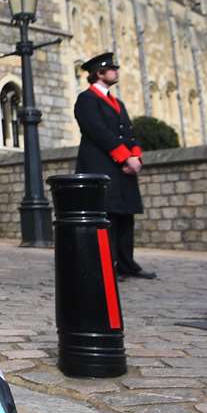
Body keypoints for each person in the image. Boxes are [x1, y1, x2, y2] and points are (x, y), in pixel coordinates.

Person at [73, 52, 156, 280]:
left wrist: (136, 156)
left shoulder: (117, 102)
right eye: (112, 68)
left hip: (122, 167)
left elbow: (128, 132)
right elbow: (98, 132)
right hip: (101, 164)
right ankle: (105, 264)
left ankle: (126, 263)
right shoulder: (86, 99)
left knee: (125, 215)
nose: (116, 71)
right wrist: (124, 157)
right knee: (107, 215)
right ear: (99, 73)